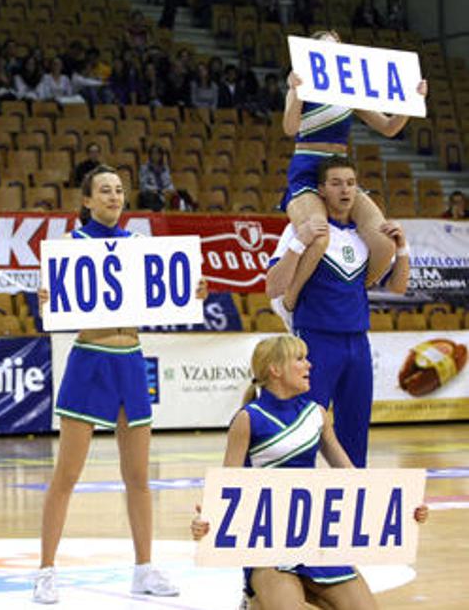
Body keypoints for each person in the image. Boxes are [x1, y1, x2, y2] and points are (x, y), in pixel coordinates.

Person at [32, 165, 206, 604]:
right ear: (87, 200)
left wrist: (193, 291)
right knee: (66, 475)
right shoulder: (70, 246)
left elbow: (167, 292)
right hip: (90, 359)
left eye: (119, 190)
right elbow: (51, 307)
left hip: (131, 359)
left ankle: (144, 569)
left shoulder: (140, 247)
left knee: (139, 478)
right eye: (105, 190)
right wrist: (46, 299)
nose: (114, 196)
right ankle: (46, 571)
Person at [190, 335, 429, 610]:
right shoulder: (248, 419)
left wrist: (405, 509)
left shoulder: (317, 414)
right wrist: (206, 520)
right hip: (266, 545)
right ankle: (254, 600)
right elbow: (228, 485)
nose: (309, 365)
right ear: (275, 369)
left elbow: (352, 477)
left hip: (316, 540)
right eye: (300, 359)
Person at [266, 156, 411, 468]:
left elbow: (398, 287)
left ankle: (352, 491)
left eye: (351, 184)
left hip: (358, 342)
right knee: (305, 427)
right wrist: (299, 242)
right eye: (336, 183)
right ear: (321, 190)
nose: (345, 190)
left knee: (355, 430)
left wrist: (402, 248)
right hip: (315, 340)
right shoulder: (301, 229)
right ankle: (298, 488)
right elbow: (273, 286)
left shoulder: (366, 236)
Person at [279, 29, 427, 316]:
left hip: (340, 169)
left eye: (336, 46)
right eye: (325, 46)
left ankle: (351, 292)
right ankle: (291, 301)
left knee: (384, 242)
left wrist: (413, 100)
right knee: (319, 236)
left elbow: (389, 128)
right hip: (308, 166)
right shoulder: (300, 82)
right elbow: (289, 128)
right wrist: (295, 91)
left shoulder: (349, 90)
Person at [137, 144, 174, 211]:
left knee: (180, 193)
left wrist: (169, 190)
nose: (156, 155)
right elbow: (143, 185)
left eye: (158, 153)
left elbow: (169, 183)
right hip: (151, 194)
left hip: (163, 193)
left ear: (161, 155)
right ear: (150, 155)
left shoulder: (165, 168)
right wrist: (156, 190)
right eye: (153, 153)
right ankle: (160, 210)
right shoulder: (144, 168)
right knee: (149, 197)